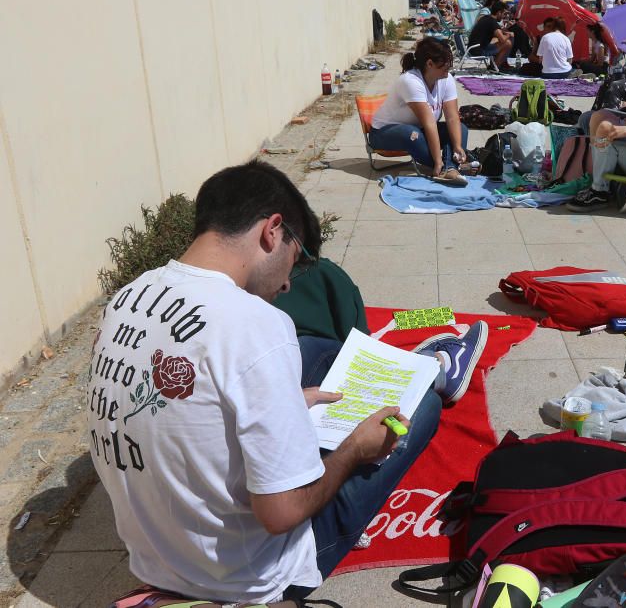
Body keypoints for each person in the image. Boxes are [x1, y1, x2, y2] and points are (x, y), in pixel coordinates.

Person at [90, 161, 489, 605]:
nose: (285, 284)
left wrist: (286, 402)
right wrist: (354, 449)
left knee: (315, 349)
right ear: (272, 231)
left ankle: (404, 369)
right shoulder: (256, 324)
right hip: (249, 580)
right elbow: (281, 514)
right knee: (424, 409)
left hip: (157, 558)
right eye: (294, 261)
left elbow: (186, 412)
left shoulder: (126, 299)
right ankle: (430, 369)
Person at [369, 38, 469, 186]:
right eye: (445, 65)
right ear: (429, 64)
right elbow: (429, 123)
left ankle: (451, 167)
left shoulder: (446, 79)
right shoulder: (410, 81)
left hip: (420, 129)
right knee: (413, 134)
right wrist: (436, 160)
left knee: (461, 129)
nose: (449, 69)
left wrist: (457, 146)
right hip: (383, 133)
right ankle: (443, 167)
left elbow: (453, 117)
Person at [468, 0, 514, 70]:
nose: (504, 17)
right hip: (479, 51)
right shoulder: (493, 22)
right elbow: (502, 39)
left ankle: (495, 65)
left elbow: (498, 32)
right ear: (499, 13)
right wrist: (510, 35)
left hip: (472, 48)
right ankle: (494, 67)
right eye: (503, 14)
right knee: (507, 43)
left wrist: (506, 30)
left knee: (497, 40)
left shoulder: (486, 18)